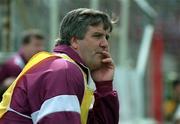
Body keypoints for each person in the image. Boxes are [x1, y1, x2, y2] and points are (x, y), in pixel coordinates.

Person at [0, 8, 119, 124]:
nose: (105, 44)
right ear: (74, 41)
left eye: (106, 37)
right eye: (97, 36)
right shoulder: (64, 70)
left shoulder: (61, 66)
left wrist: (104, 86)